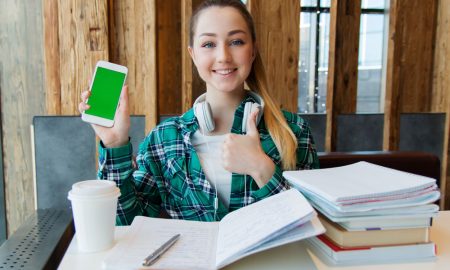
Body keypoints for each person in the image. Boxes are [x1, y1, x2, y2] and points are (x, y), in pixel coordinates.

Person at [79, 0, 319, 226]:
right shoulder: (164, 140)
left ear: (253, 51)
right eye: (208, 44)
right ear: (193, 54)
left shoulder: (294, 131)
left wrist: (261, 168)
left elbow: (314, 226)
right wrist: (115, 144)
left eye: (236, 42)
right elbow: (123, 223)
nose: (223, 56)